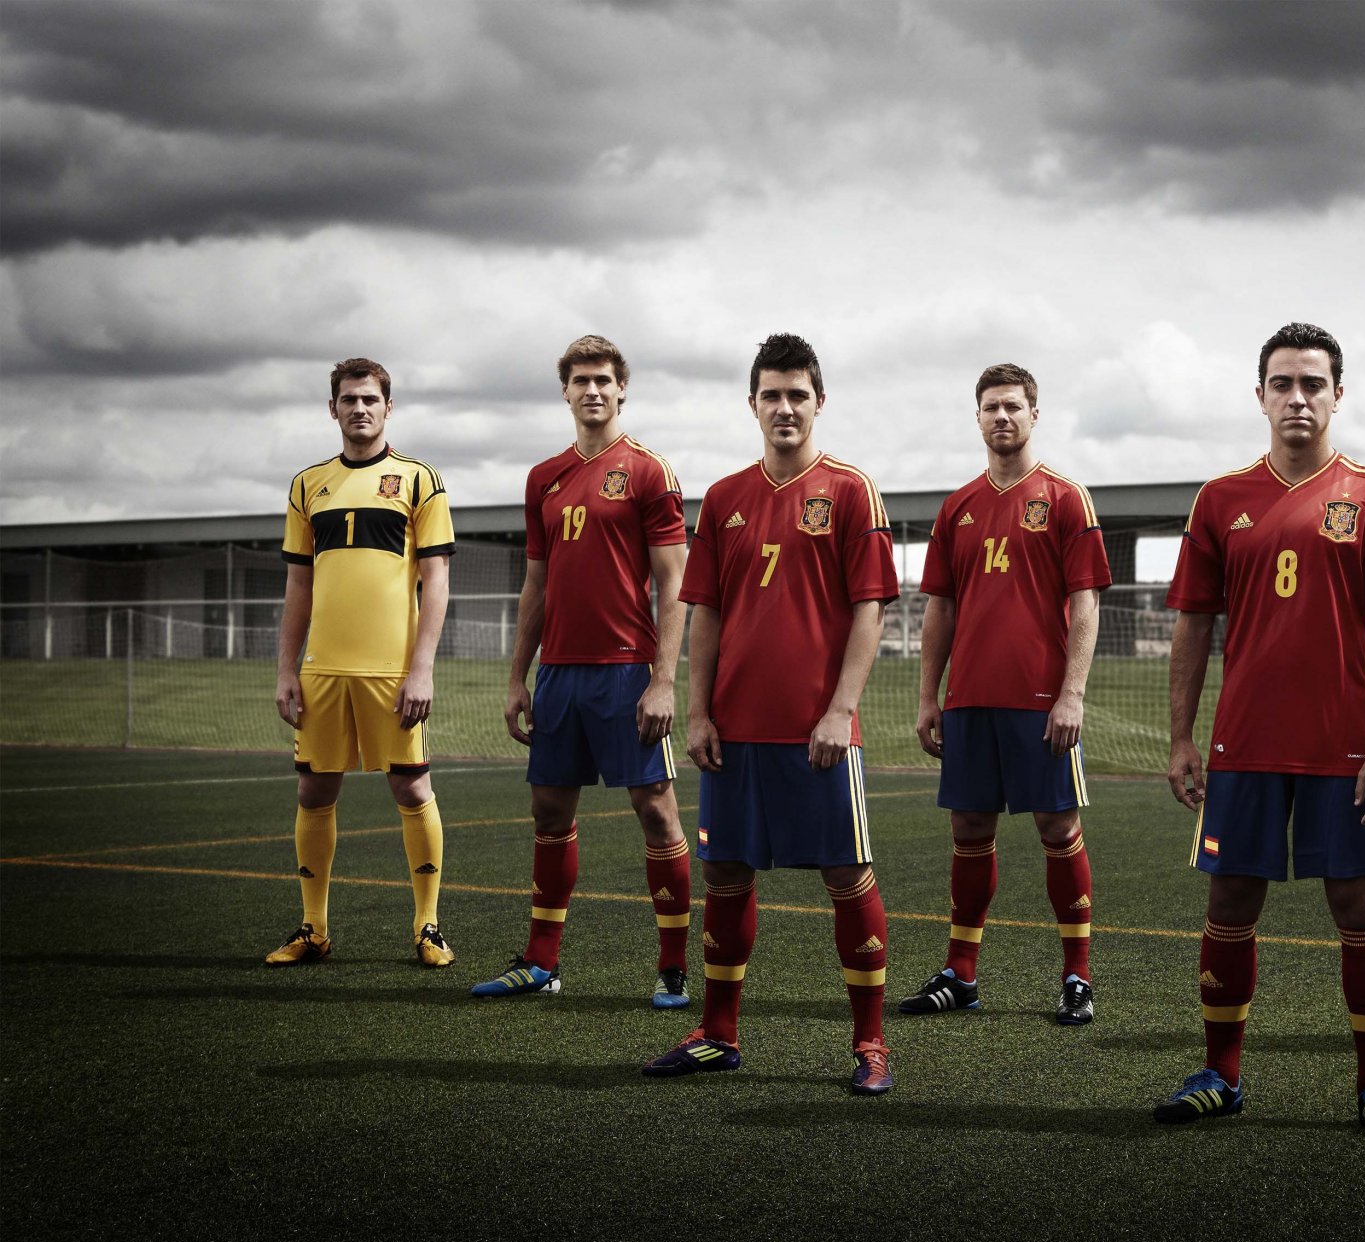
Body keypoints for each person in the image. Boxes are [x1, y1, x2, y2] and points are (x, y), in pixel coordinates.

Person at [1155, 322, 1365, 1141]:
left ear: (1338, 395)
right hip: (1244, 745)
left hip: (1342, 749)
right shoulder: (1220, 499)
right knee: (1230, 900)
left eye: (1313, 383)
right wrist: (1181, 737)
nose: (1297, 397)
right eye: (1283, 383)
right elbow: (1194, 627)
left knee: (1356, 903)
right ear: (1261, 394)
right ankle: (1221, 1076)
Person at [642, 333, 899, 1094]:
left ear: (820, 402)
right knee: (724, 872)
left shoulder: (852, 490)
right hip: (735, 728)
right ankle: (718, 1033)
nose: (784, 408)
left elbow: (870, 610)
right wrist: (698, 712)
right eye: (771, 395)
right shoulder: (723, 499)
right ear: (751, 404)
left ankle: (871, 1044)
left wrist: (839, 709)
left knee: (847, 875)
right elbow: (706, 614)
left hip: (817, 730)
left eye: (797, 395)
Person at [471, 336, 693, 1007]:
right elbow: (535, 585)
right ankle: (540, 962)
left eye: (603, 380)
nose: (592, 390)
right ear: (564, 392)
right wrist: (517, 677)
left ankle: (673, 966)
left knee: (654, 810)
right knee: (548, 810)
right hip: (561, 676)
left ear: (622, 389)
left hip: (628, 672)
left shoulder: (651, 471)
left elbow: (674, 582)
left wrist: (663, 679)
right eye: (580, 381)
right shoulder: (543, 477)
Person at [903, 363, 1111, 1025]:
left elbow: (1085, 604)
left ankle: (1077, 976)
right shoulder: (956, 507)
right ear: (978, 417)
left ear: (1034, 415)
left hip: (1040, 701)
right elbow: (940, 610)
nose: (1002, 417)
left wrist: (1072, 694)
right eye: (991, 407)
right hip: (969, 700)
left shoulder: (1065, 497)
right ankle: (960, 974)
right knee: (969, 830)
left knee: (1058, 829)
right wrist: (928, 697)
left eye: (1013, 407)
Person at [269, 358, 456, 967]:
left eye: (371, 399)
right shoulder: (307, 485)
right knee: (314, 789)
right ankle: (313, 929)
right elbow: (299, 589)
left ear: (388, 407)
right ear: (333, 409)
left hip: (392, 670)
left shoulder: (418, 480)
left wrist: (422, 668)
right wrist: (285, 669)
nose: (360, 409)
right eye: (349, 399)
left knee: (410, 785)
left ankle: (427, 927)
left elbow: (437, 580)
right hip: (323, 670)